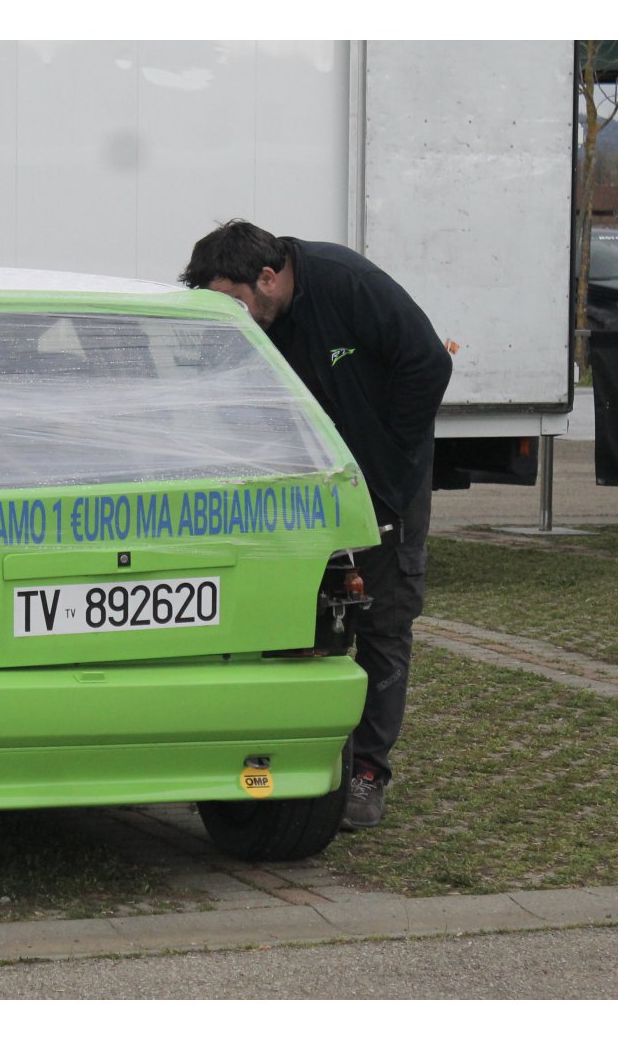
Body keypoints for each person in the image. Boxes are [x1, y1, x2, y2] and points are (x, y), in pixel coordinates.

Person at [181, 219, 452, 830]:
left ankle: (367, 773)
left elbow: (428, 364)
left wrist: (389, 458)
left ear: (269, 278)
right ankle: (283, 758)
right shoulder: (245, 318)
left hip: (383, 484)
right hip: (300, 493)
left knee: (382, 623)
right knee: (289, 621)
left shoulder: (348, 285)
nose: (230, 319)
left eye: (233, 303)